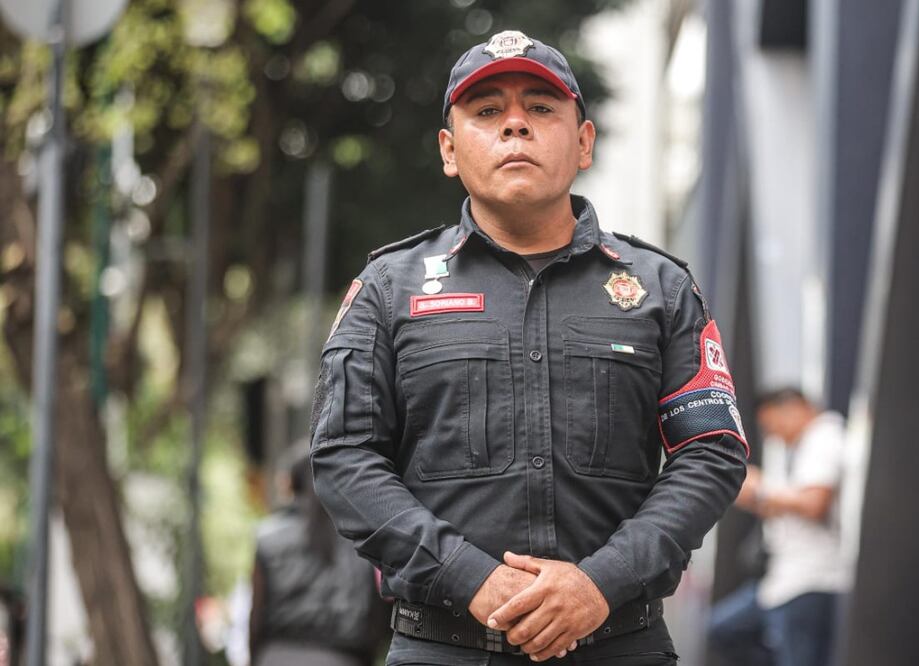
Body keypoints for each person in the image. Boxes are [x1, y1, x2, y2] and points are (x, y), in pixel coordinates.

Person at [310, 29, 748, 665]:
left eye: (541, 109)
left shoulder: (661, 288)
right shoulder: (387, 289)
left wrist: (602, 583)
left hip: (620, 645)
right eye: (487, 112)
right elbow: (344, 457)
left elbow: (711, 451)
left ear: (584, 142)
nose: (515, 126)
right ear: (449, 150)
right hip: (443, 648)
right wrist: (470, 578)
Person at [707, 388, 849, 666]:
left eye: (775, 425)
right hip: (780, 580)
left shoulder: (825, 437)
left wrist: (761, 490)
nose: (774, 435)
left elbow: (813, 504)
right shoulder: (798, 448)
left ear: (795, 409)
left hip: (809, 579)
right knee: (721, 630)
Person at [249, 445, 385, 666]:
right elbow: (373, 615)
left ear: (291, 484)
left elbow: (256, 618)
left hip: (277, 657)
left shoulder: (269, 538)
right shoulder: (359, 539)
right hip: (343, 658)